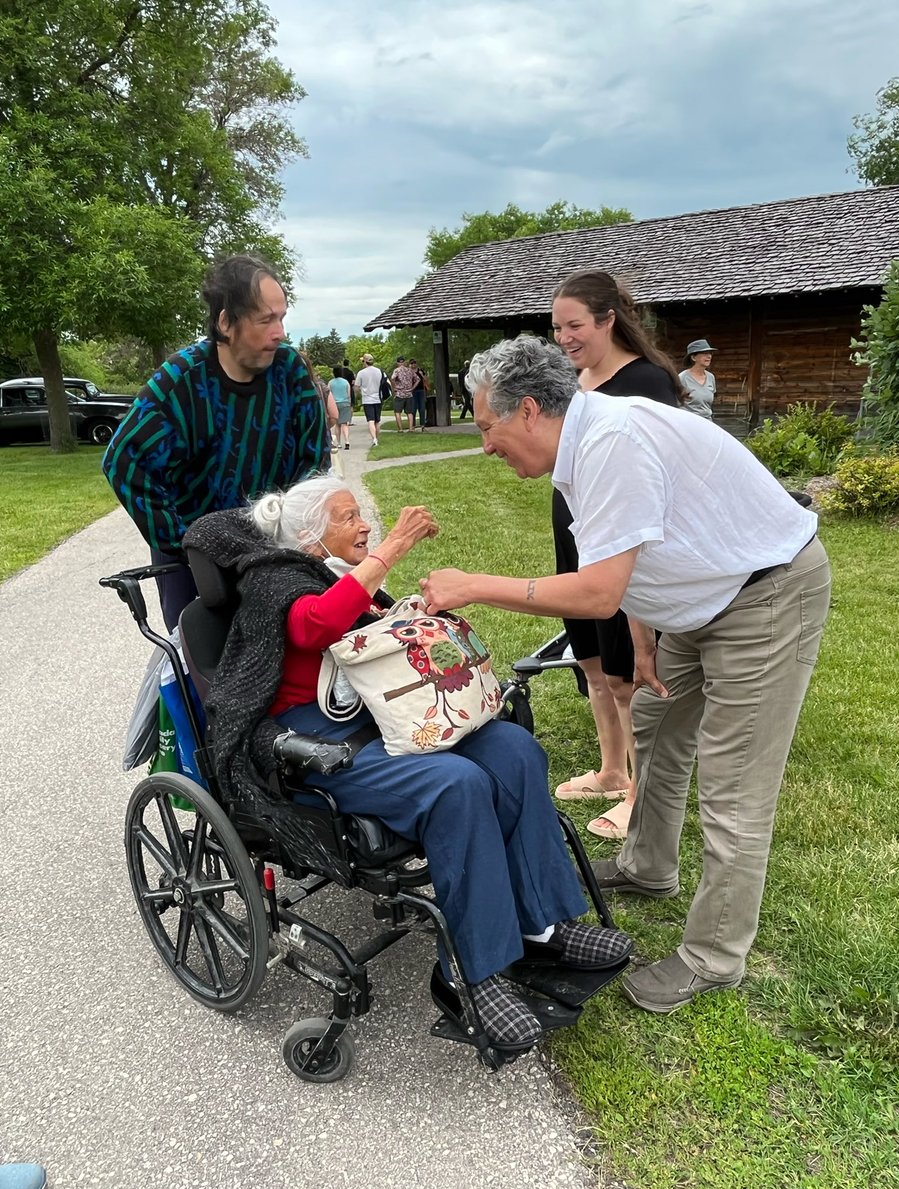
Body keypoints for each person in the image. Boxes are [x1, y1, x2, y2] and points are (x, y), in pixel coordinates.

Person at [421, 335, 831, 1015]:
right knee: (654, 723)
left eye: (487, 427)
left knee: (734, 790)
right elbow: (632, 551)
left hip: (764, 598)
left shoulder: (611, 441)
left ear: (527, 410)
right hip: (700, 605)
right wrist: (644, 639)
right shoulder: (580, 441)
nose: (486, 446)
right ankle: (648, 866)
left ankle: (713, 957)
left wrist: (472, 584)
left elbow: (595, 592)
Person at [183, 474, 633, 1048]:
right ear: (310, 535)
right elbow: (316, 623)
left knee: (515, 750)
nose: (365, 524)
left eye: (360, 515)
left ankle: (546, 924)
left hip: (384, 720)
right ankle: (472, 973)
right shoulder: (275, 578)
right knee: (456, 785)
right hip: (319, 747)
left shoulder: (345, 578)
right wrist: (395, 546)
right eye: (348, 517)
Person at [102, 254, 329, 632]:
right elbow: (124, 464)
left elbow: (315, 464)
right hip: (194, 561)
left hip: (273, 548)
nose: (281, 332)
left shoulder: (290, 372)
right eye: (266, 320)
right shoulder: (180, 381)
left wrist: (299, 535)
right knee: (196, 660)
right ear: (226, 322)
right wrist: (184, 545)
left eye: (282, 317)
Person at [551, 269, 682, 840]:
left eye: (574, 325)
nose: (564, 338)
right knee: (592, 661)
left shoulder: (647, 381)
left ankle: (637, 793)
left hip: (620, 541)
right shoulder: (580, 380)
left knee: (626, 671)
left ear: (609, 319)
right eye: (557, 327)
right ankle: (609, 770)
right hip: (577, 533)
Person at [679, 339, 718, 419]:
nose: (709, 356)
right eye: (705, 353)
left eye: (710, 353)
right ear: (693, 357)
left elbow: (709, 405)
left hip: (707, 422)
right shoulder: (682, 378)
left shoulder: (711, 377)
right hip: (688, 423)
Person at [354, 352, 383, 446]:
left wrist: (358, 393)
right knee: (377, 420)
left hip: (367, 399)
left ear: (365, 362)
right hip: (378, 398)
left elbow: (357, 387)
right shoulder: (379, 371)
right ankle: (376, 438)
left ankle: (374, 439)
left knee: (370, 420)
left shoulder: (361, 373)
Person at [328, 365, 353, 450]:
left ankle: (338, 443)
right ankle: (347, 441)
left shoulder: (331, 382)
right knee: (345, 424)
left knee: (337, 425)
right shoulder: (345, 382)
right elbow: (349, 394)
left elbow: (329, 394)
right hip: (345, 403)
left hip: (335, 404)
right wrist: (349, 404)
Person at [390, 356, 416, 433]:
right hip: (409, 393)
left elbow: (392, 378)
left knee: (397, 412)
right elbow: (418, 379)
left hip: (400, 394)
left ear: (397, 363)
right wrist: (412, 388)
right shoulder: (410, 370)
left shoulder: (397, 370)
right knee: (410, 412)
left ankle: (400, 429)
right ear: (404, 362)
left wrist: (395, 387)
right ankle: (411, 428)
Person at [409, 358, 429, 431]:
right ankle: (413, 425)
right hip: (413, 391)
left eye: (414, 363)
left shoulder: (420, 370)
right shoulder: (409, 372)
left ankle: (423, 425)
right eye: (412, 363)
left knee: (422, 408)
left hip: (421, 391)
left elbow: (426, 379)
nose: (413, 365)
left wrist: (421, 374)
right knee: (413, 409)